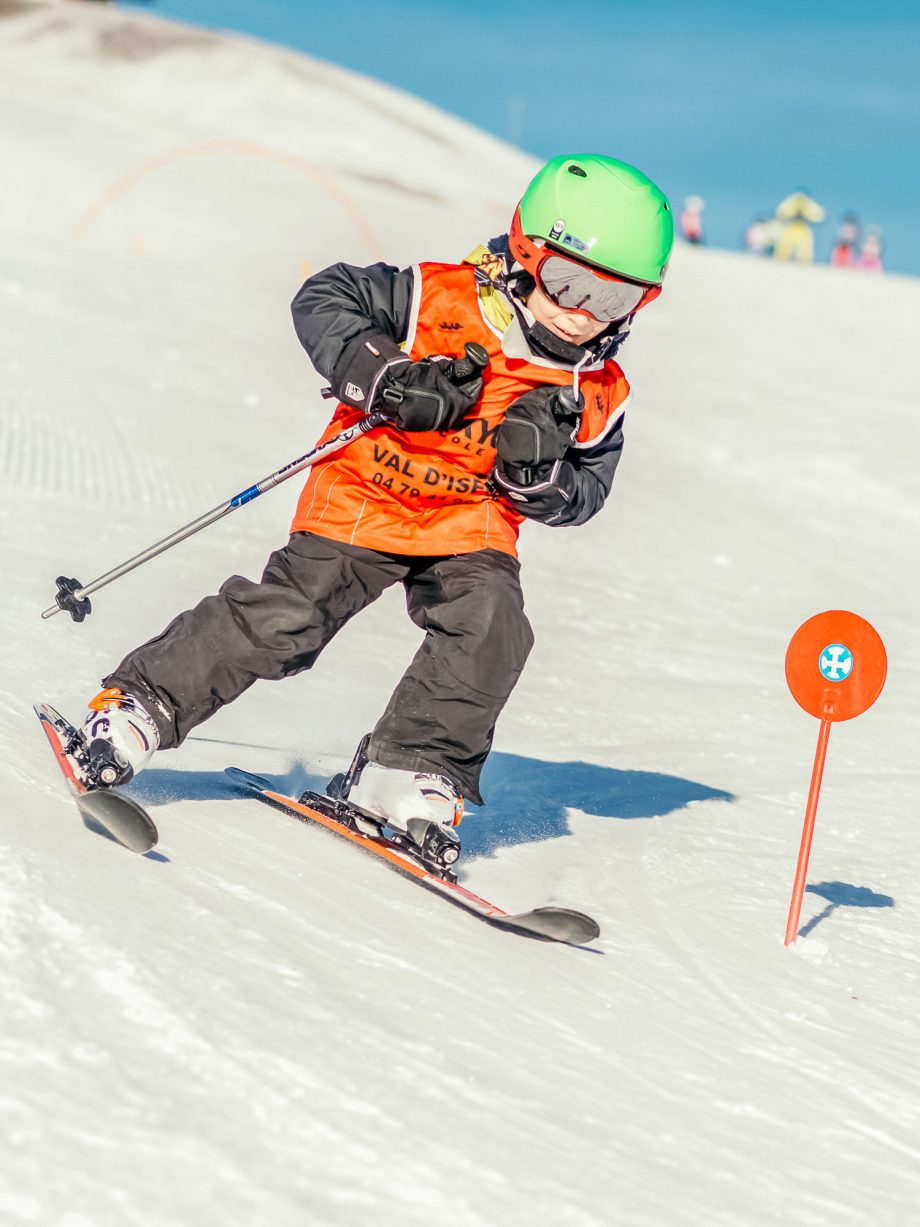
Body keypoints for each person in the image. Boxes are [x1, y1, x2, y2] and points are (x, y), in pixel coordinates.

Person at [76, 154, 674, 865]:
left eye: (613, 300)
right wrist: (386, 377)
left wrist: (538, 479)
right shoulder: (434, 297)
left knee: (493, 626)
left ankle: (407, 770)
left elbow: (587, 491)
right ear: (524, 253)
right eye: (568, 281)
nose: (582, 313)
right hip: (366, 492)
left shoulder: (598, 389)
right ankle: (140, 706)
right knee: (289, 618)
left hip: (469, 526)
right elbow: (322, 298)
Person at [773, 189, 825, 263]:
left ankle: (804, 263)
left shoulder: (808, 204)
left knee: (805, 248)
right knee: (784, 245)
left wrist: (805, 216)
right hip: (791, 226)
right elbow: (780, 213)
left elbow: (819, 216)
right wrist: (792, 215)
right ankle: (780, 261)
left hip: (802, 227)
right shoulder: (790, 202)